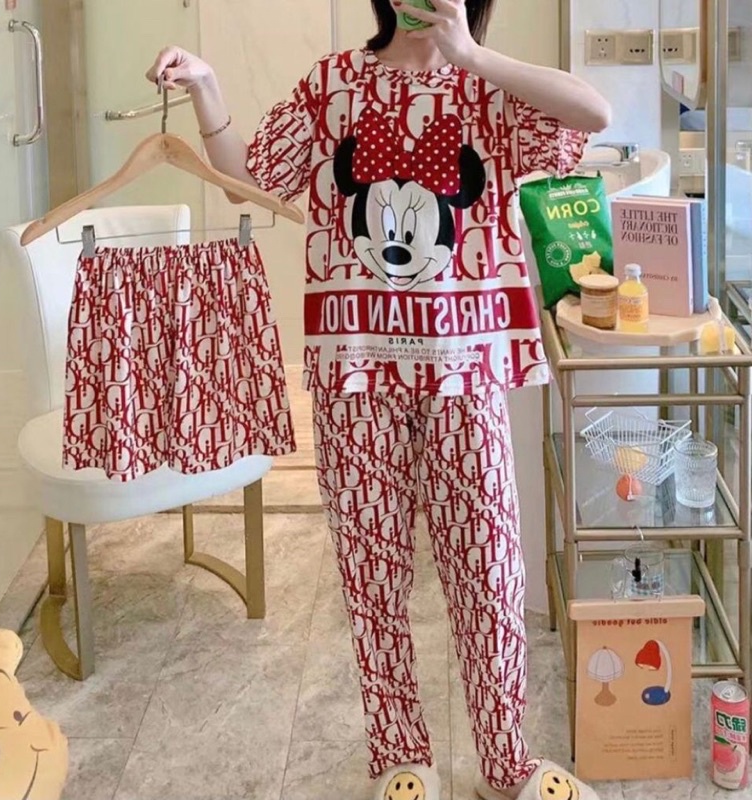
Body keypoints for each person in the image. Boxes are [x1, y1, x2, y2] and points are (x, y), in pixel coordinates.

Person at [147, 2, 611, 799]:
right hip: (357, 365)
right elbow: (250, 181)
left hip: (466, 368)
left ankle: (506, 763)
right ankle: (401, 757)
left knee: (489, 569)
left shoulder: (490, 90)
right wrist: (207, 84)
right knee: (372, 570)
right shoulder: (334, 84)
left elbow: (593, 112)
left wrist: (472, 56)